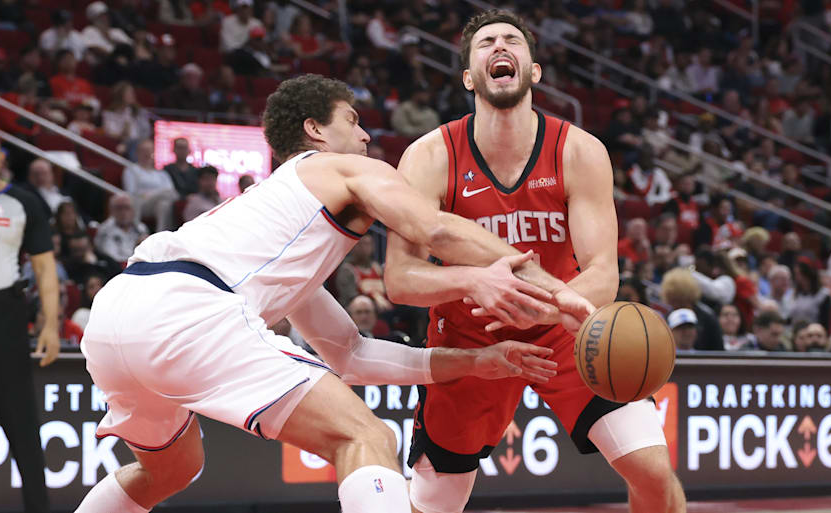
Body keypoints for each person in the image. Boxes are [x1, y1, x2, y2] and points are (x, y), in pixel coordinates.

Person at [74, 74, 584, 513]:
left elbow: (351, 356)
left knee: (169, 471)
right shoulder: (340, 168)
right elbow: (434, 229)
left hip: (118, 312)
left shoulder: (277, 228)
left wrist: (475, 362)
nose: (365, 135)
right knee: (367, 438)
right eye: (352, 120)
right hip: (188, 306)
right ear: (316, 131)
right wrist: (555, 292)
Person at [384, 11, 684, 513]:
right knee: (434, 503)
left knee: (653, 473)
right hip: (470, 335)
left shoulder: (579, 151)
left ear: (534, 70)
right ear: (468, 77)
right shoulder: (430, 156)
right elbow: (399, 278)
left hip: (564, 329)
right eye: (486, 43)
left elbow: (603, 274)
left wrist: (544, 309)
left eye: (512, 40)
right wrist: (476, 283)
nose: (500, 46)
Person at [0, 131, 60, 513]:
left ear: (1, 158)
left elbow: (45, 268)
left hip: (4, 319)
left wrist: (50, 324)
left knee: (22, 428)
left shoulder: (24, 203)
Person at [123, 139, 179, 233]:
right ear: (137, 153)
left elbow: (171, 193)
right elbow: (131, 192)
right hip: (140, 203)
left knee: (164, 204)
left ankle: (160, 234)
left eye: (149, 151)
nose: (147, 154)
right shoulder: (131, 170)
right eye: (144, 150)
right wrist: (149, 195)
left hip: (156, 203)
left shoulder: (162, 174)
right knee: (168, 194)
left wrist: (153, 194)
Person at [94, 194, 149, 264]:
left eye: (127, 208)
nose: (123, 212)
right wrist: (136, 250)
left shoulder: (141, 228)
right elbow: (112, 258)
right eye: (119, 208)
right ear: (111, 211)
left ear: (133, 210)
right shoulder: (105, 230)